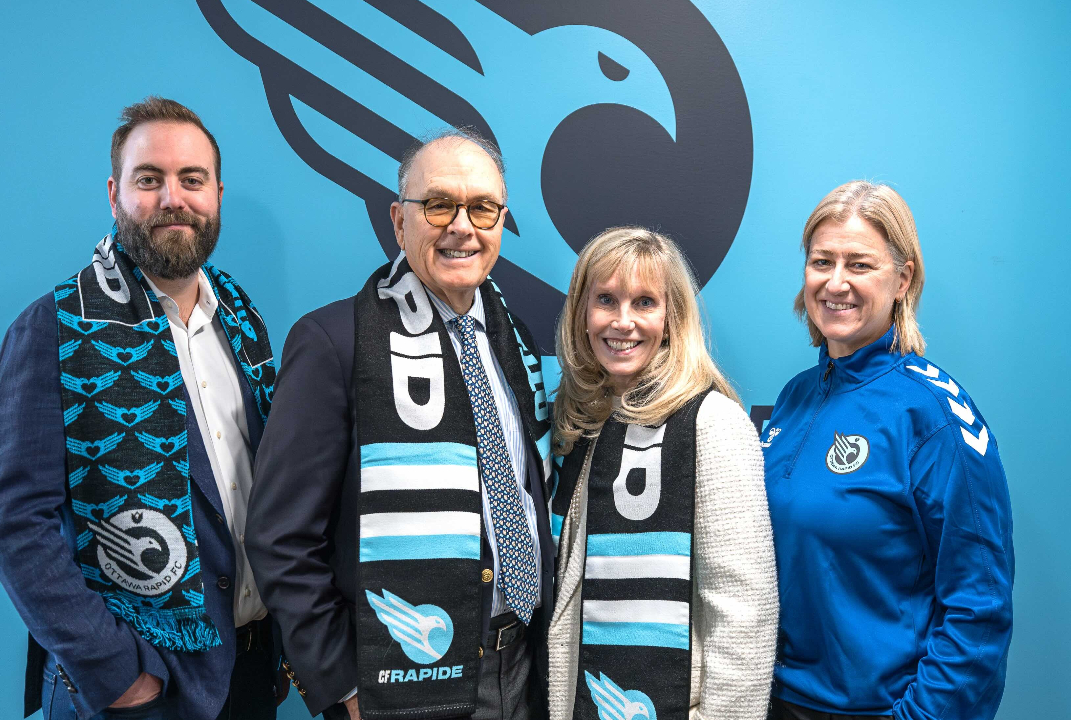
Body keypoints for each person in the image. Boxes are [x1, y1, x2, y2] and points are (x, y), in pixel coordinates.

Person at [0, 97, 287, 720]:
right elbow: (12, 525)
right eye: (150, 179)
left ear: (217, 193)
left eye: (191, 179)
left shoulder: (241, 320)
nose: (173, 198)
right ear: (116, 193)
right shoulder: (55, 327)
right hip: (142, 689)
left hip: (250, 672)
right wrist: (119, 676)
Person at [247, 128, 554, 720]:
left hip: (519, 671)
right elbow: (278, 537)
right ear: (398, 220)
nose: (462, 226)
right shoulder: (336, 342)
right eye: (438, 204)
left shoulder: (513, 339)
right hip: (396, 686)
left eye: (483, 208)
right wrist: (343, 685)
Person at [763, 181, 1014, 720]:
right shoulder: (794, 398)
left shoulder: (935, 415)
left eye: (859, 265)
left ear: (902, 280)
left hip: (875, 708)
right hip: (775, 701)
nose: (835, 283)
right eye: (821, 261)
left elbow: (980, 605)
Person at [547, 227, 778, 720]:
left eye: (645, 302)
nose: (623, 321)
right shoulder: (589, 422)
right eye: (606, 300)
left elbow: (744, 612)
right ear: (582, 315)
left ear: (671, 319)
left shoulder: (713, 422)